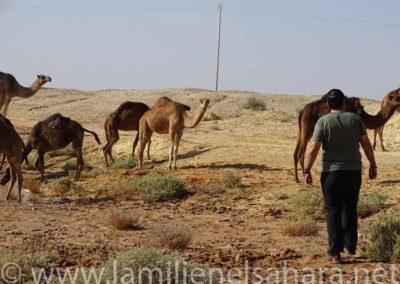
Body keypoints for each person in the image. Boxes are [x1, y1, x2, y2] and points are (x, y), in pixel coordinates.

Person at [304, 89, 377, 263]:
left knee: (333, 211)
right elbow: (366, 144)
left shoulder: (323, 121)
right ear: (343, 103)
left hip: (331, 173)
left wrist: (306, 169)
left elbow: (313, 147)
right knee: (350, 207)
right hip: (353, 172)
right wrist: (373, 165)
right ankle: (350, 245)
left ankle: (334, 252)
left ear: (329, 104)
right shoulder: (355, 120)